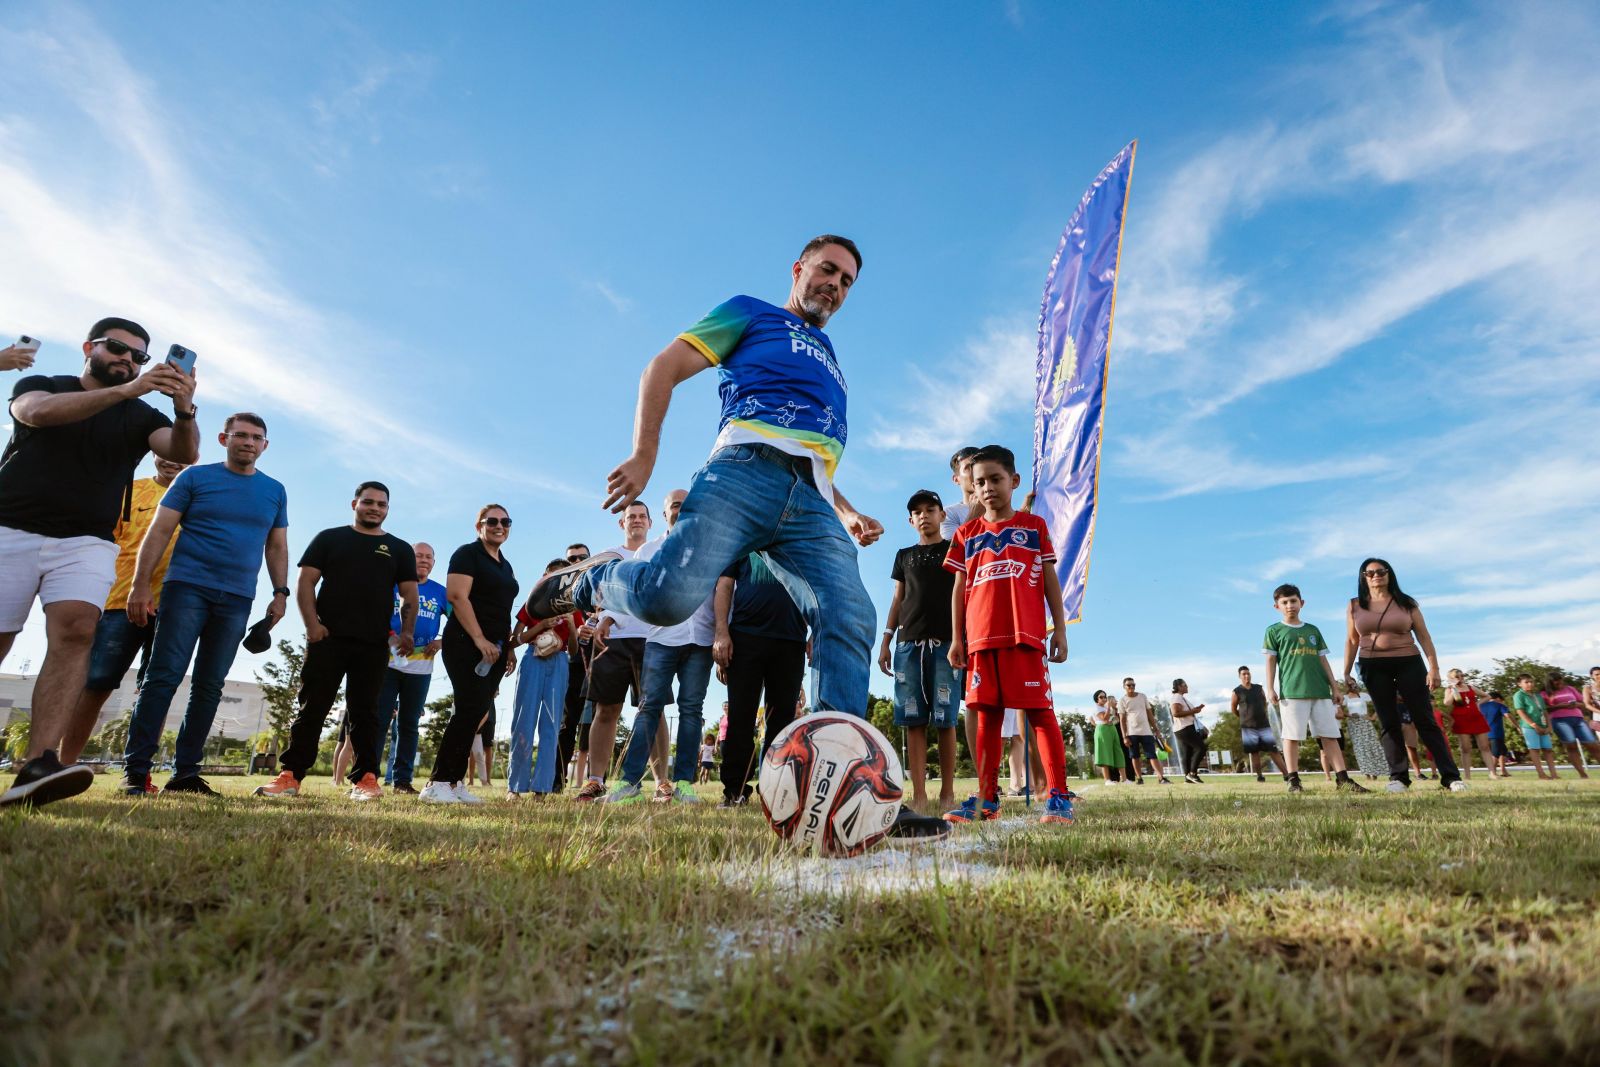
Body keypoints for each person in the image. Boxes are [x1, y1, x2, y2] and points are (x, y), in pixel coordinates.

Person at [0, 318, 199, 808]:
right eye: (118, 349)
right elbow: (37, 414)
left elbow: (182, 452)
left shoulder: (141, 414)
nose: (128, 360)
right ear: (90, 347)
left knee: (76, 631)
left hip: (87, 540)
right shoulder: (44, 385)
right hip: (11, 527)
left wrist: (183, 409)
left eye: (138, 357)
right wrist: (128, 390)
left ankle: (37, 764)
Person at [120, 413, 288, 796]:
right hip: (187, 588)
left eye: (256, 437)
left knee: (210, 685)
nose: (248, 442)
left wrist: (280, 592)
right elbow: (160, 530)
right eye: (240, 435)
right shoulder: (194, 477)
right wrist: (140, 584)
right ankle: (136, 772)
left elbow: (276, 545)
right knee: (163, 676)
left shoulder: (274, 490)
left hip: (237, 598)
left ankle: (185, 775)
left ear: (264, 445)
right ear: (223, 438)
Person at [255, 482, 417, 800]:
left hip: (373, 643)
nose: (374, 508)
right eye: (368, 502)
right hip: (327, 639)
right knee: (312, 708)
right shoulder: (330, 538)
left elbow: (409, 593)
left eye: (381, 504)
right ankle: (290, 776)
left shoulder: (399, 548)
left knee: (366, 713)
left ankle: (366, 780)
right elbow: (306, 582)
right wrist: (312, 625)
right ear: (354, 503)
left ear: (387, 509)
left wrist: (408, 631)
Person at [941, 444, 1073, 825]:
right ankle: (986, 798)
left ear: (1013, 481)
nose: (987, 488)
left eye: (995, 479)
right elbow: (958, 589)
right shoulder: (966, 534)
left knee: (1040, 713)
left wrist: (1059, 628)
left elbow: (1049, 579)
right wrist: (956, 638)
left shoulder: (1034, 527)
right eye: (979, 481)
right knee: (986, 717)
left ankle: (1059, 796)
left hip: (1024, 637)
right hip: (981, 640)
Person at [60, 456, 189, 767]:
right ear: (154, 454)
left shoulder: (198, 498)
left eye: (179, 455)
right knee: (97, 682)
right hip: (121, 601)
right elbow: (104, 542)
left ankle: (137, 769)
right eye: (164, 453)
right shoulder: (130, 492)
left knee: (157, 689)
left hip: (175, 606)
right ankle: (61, 765)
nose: (170, 461)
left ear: (192, 458)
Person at [602, 489, 717, 805]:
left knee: (691, 710)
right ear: (664, 514)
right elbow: (631, 591)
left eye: (687, 504)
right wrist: (608, 617)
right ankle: (628, 785)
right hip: (662, 640)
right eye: (675, 506)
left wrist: (723, 633)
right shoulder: (648, 552)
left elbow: (722, 593)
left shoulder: (711, 548)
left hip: (702, 640)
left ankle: (683, 786)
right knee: (648, 708)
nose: (682, 510)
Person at [420, 505, 517, 804]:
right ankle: (437, 783)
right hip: (466, 643)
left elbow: (502, 609)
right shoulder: (467, 554)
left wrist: (508, 648)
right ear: (479, 526)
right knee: (469, 708)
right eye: (492, 521)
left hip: (496, 649)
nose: (499, 526)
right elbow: (457, 596)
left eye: (505, 521)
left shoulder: (506, 565)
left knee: (478, 711)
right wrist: (479, 638)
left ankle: (454, 780)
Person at [1341, 558, 1462, 793]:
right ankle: (1398, 778)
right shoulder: (1355, 605)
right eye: (1370, 572)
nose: (1376, 575)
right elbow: (1352, 640)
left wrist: (1433, 668)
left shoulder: (1406, 603)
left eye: (1381, 571)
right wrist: (1345, 672)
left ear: (1389, 574)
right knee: (1388, 721)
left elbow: (1424, 636)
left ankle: (1450, 777)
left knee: (1424, 719)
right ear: (1363, 577)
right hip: (1373, 665)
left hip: (1408, 663)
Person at [878, 489, 959, 812]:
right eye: (917, 512)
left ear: (942, 515)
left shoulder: (954, 550)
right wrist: (886, 639)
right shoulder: (903, 556)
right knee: (912, 718)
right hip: (908, 644)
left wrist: (961, 638)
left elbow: (961, 593)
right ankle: (920, 793)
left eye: (930, 509)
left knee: (946, 717)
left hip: (946, 643)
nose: (924, 515)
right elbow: (898, 598)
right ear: (910, 520)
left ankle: (948, 792)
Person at [572, 502, 654, 801]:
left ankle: (661, 782)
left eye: (641, 516)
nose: (636, 520)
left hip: (652, 638)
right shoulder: (608, 557)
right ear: (622, 523)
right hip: (612, 640)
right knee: (606, 710)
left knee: (652, 710)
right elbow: (592, 599)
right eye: (630, 516)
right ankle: (595, 780)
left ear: (650, 522)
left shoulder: (659, 553)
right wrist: (593, 622)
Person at [1264, 584, 1367, 794]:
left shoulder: (1313, 630)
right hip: (1293, 692)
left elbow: (1323, 660)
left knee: (1330, 735)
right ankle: (1293, 780)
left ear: (1301, 603)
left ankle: (1343, 779)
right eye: (1284, 602)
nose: (1289, 605)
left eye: (1293, 601)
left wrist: (1335, 688)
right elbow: (1271, 661)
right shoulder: (1274, 630)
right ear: (1277, 606)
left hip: (1320, 692)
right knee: (1291, 736)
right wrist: (1270, 688)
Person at [505, 560, 579, 796]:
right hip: (533, 659)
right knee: (523, 722)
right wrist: (542, 626)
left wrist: (572, 628)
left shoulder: (571, 606)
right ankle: (515, 787)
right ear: (545, 577)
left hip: (559, 661)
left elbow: (574, 651)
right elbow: (516, 639)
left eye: (563, 576)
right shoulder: (533, 603)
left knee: (551, 726)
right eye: (553, 576)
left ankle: (542, 787)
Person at [378, 542, 446, 793]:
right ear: (409, 558)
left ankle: (402, 781)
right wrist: (389, 635)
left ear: (434, 563)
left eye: (429, 557)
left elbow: (461, 621)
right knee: (379, 720)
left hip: (420, 669)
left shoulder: (441, 592)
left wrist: (441, 641)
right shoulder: (393, 585)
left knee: (408, 724)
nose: (424, 560)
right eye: (419, 556)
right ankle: (367, 778)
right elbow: (375, 613)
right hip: (387, 664)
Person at [939, 447, 982, 765]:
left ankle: (1041, 781)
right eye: (970, 467)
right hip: (971, 613)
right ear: (957, 477)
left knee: (1023, 695)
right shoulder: (951, 515)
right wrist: (977, 510)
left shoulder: (1002, 507)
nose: (976, 471)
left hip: (1005, 606)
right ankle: (984, 777)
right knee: (975, 697)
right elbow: (958, 555)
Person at [552, 544, 592, 792]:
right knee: (567, 724)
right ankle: (557, 779)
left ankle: (597, 780)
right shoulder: (559, 595)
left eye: (581, 558)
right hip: (573, 664)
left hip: (602, 661)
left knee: (601, 721)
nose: (576, 562)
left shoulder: (601, 585)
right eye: (571, 559)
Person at [1230, 666, 1289, 783]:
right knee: (1254, 752)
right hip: (1248, 727)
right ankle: (1259, 776)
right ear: (1239, 676)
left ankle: (1286, 775)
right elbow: (1233, 708)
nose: (1246, 676)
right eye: (1244, 674)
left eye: (1248, 673)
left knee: (1273, 750)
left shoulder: (1258, 688)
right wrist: (1243, 718)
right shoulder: (1237, 691)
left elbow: (1264, 702)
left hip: (1264, 725)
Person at [1441, 668, 1495, 781]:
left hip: (1476, 717)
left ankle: (1492, 773)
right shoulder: (1449, 689)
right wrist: (1454, 689)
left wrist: (1478, 703)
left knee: (1485, 746)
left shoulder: (1470, 687)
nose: (1460, 678)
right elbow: (1447, 703)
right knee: (1465, 748)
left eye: (1461, 676)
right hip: (1461, 719)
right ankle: (1467, 776)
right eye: (1457, 676)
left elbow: (1487, 696)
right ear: (1451, 678)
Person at [1543, 671, 1599, 777]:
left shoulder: (1570, 689)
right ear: (1550, 682)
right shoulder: (1545, 693)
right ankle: (1582, 774)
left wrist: (1577, 704)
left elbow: (1584, 703)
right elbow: (1544, 709)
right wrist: (1560, 706)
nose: (1560, 683)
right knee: (1571, 746)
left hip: (1578, 719)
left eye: (1560, 680)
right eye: (1556, 681)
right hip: (1560, 721)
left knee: (1592, 744)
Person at [1119, 678, 1169, 785]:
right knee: (1135, 756)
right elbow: (1122, 720)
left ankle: (1161, 778)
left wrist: (1156, 728)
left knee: (1152, 755)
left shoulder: (1142, 696)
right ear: (1124, 687)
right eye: (1129, 685)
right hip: (1131, 733)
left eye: (1133, 685)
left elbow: (1149, 713)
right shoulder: (1122, 700)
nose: (1131, 687)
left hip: (1146, 731)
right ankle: (1139, 778)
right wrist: (1124, 736)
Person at [1512, 674, 1558, 779]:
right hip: (1529, 727)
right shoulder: (1519, 695)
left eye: (1531, 681)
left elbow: (1545, 711)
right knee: (1534, 749)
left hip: (1543, 725)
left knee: (1548, 749)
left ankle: (1554, 774)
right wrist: (1534, 725)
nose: (1530, 684)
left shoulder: (1537, 695)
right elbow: (1521, 711)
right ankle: (1541, 774)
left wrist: (1549, 725)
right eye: (1526, 682)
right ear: (1519, 684)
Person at [1338, 682, 1387, 780]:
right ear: (1347, 686)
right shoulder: (1345, 697)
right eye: (1350, 684)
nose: (1353, 686)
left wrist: (1373, 717)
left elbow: (1379, 702)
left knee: (1371, 745)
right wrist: (1349, 715)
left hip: (1365, 722)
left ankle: (1375, 772)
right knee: (1360, 748)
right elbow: (1340, 711)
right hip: (1354, 724)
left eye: (1354, 683)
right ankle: (1367, 772)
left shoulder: (1364, 695)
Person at [1169, 679, 1208, 784]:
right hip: (1184, 728)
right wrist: (1193, 711)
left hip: (1183, 727)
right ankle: (1192, 773)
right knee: (1201, 748)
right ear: (1179, 687)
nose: (1187, 687)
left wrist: (1195, 709)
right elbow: (1175, 713)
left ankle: (1188, 777)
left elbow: (1184, 712)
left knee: (1187, 752)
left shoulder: (1180, 697)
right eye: (1184, 685)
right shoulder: (1177, 697)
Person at [1091, 689, 1126, 784]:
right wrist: (1109, 708)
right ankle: (1107, 780)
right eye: (1101, 697)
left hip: (1111, 729)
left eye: (1105, 697)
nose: (1104, 699)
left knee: (1118, 752)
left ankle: (1124, 779)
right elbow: (1104, 718)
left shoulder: (1106, 707)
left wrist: (1112, 718)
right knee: (1105, 754)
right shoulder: (1097, 708)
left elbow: (1115, 719)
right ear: (1096, 699)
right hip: (1103, 730)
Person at [1478, 689, 1512, 778]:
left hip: (1483, 733)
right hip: (1495, 732)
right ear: (1497, 698)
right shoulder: (1499, 705)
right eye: (1501, 700)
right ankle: (1492, 772)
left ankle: (1503, 771)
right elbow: (1507, 715)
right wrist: (1517, 726)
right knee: (1495, 753)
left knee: (1503, 751)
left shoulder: (1481, 706)